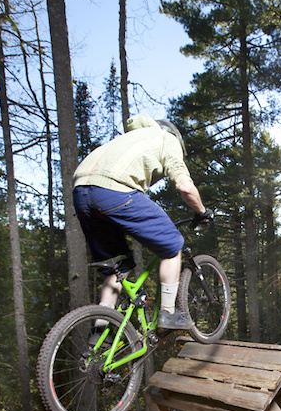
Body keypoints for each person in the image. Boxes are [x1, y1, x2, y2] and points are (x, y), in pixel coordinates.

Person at [72, 113, 212, 330]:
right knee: (173, 245)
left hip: (81, 193)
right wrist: (201, 211)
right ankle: (168, 313)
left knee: (117, 265)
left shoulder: (127, 140)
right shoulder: (167, 139)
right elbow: (185, 187)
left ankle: (102, 328)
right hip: (113, 190)